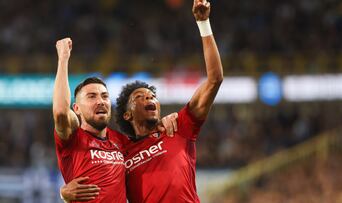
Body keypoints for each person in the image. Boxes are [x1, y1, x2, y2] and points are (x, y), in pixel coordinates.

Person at [61, 0, 223, 202]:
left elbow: (215, 79)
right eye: (139, 97)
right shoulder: (118, 148)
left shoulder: (179, 128)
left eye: (152, 96)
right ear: (127, 114)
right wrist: (64, 192)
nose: (149, 97)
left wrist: (203, 23)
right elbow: (92, 167)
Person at [53, 39, 178, 203]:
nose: (100, 101)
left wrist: (167, 119)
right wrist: (63, 58)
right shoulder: (73, 137)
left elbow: (149, 136)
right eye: (91, 96)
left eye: (104, 96)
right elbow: (61, 112)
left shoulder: (122, 141)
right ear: (76, 109)